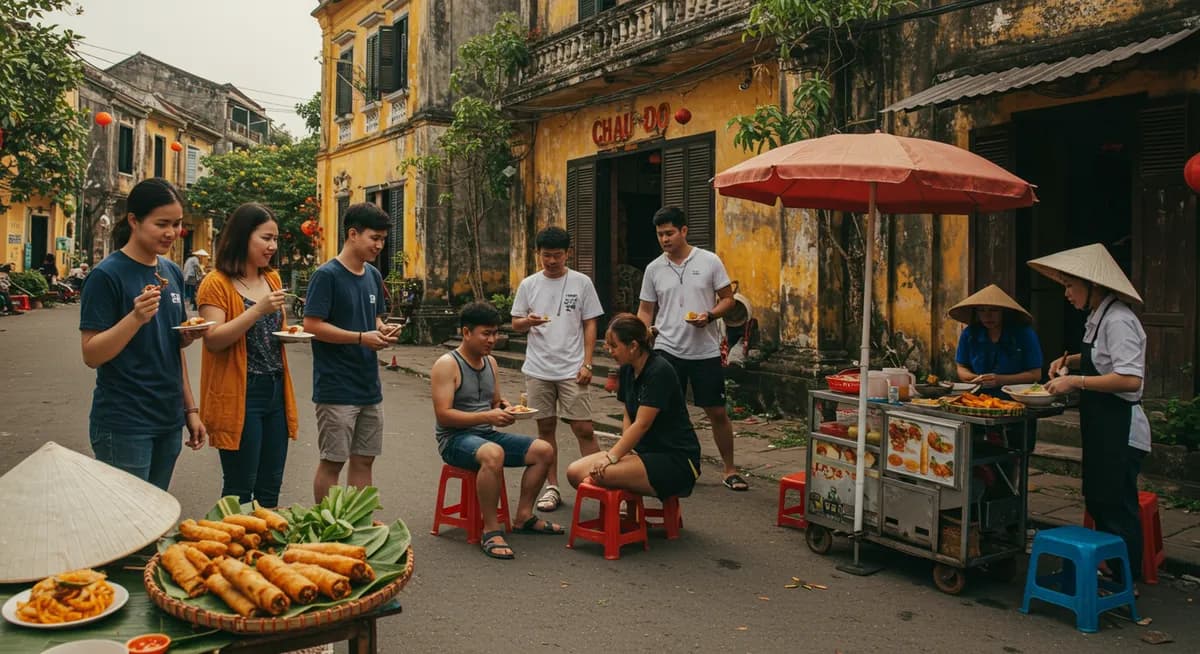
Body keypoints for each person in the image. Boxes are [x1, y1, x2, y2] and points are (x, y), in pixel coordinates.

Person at [79, 177, 207, 490]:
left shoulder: (170, 271)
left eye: (177, 224)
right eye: (162, 223)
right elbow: (91, 354)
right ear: (134, 221)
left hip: (168, 418)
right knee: (124, 526)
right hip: (125, 422)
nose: (172, 233)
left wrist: (190, 409)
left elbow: (172, 351)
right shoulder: (106, 275)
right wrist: (135, 317)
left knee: (153, 522)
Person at [1036, 243, 1150, 587]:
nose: (1067, 294)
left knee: (1118, 507)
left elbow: (1130, 378)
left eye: (1071, 286)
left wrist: (1075, 381)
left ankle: (1124, 579)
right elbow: (1102, 359)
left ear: (1094, 285)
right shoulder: (1098, 317)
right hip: (1102, 426)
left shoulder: (1119, 320)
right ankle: (1111, 569)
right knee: (1100, 501)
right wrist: (1068, 361)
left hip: (1121, 427)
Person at [432, 302, 563, 559]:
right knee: (493, 454)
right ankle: (490, 530)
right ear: (466, 332)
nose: (492, 339)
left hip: (486, 435)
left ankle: (524, 515)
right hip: (455, 439)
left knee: (544, 450)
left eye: (495, 333)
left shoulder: (490, 362)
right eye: (486, 333)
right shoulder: (447, 364)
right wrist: (488, 415)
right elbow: (443, 415)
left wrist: (505, 409)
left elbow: (495, 402)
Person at [636, 206, 746, 491]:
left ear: (684, 231)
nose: (665, 239)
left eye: (670, 233)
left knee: (717, 412)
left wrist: (709, 315)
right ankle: (662, 465)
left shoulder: (709, 261)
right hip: (666, 350)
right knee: (660, 411)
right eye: (660, 234)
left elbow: (728, 299)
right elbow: (646, 310)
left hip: (704, 351)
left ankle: (730, 469)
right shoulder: (654, 269)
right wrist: (642, 332)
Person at [197, 204, 299, 508]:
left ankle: (265, 553)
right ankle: (233, 550)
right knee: (240, 488)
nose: (273, 247)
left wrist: (290, 332)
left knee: (270, 487)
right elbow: (213, 339)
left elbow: (274, 332)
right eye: (266, 238)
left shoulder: (272, 280)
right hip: (241, 392)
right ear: (243, 236)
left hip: (276, 389)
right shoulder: (216, 283)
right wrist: (256, 310)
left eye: (275, 239)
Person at [303, 202, 397, 502]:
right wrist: (360, 337)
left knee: (364, 459)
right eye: (374, 238)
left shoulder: (372, 275)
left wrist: (382, 329)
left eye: (383, 239)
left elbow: (376, 319)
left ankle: (358, 525)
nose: (380, 245)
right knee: (333, 461)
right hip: (336, 386)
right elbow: (312, 325)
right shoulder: (327, 275)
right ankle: (327, 525)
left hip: (369, 384)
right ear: (353, 234)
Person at [510, 226, 604, 512]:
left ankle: (600, 482)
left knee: (583, 427)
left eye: (557, 255)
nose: (551, 261)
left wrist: (588, 362)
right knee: (545, 428)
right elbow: (515, 322)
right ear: (538, 254)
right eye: (546, 255)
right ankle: (551, 488)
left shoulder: (581, 282)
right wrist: (529, 321)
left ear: (568, 254)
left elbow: (590, 323)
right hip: (538, 368)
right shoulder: (529, 284)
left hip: (572, 368)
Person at [566, 314, 701, 500]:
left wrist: (612, 456)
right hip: (643, 453)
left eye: (614, 346)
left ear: (633, 346)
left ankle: (625, 514)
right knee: (574, 472)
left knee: (600, 473)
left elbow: (642, 424)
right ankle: (624, 511)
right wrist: (624, 450)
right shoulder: (627, 369)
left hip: (675, 459)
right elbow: (629, 414)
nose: (609, 351)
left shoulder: (659, 371)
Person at [950, 284, 1043, 398]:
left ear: (1004, 311)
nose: (987, 316)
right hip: (978, 397)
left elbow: (1035, 374)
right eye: (982, 310)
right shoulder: (970, 333)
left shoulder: (1024, 333)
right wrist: (976, 378)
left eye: (994, 310)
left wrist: (1001, 380)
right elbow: (961, 367)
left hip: (1016, 398)